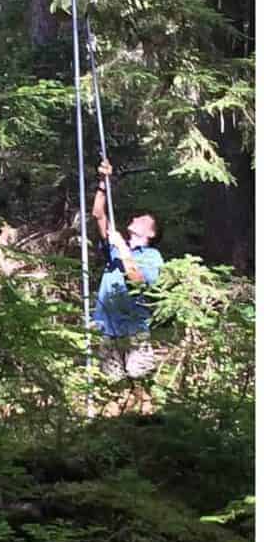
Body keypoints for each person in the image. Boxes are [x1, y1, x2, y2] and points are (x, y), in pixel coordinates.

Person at [91, 159, 164, 380]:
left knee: (139, 376)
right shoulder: (115, 247)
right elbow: (98, 214)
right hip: (107, 326)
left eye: (142, 220)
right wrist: (104, 184)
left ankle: (148, 413)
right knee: (111, 381)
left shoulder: (152, 256)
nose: (135, 219)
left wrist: (122, 247)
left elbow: (138, 281)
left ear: (151, 234)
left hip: (133, 328)